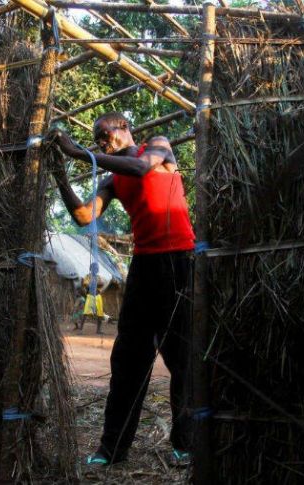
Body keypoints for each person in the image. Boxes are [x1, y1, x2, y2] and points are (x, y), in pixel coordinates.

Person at [48, 112, 195, 466]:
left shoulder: (158, 146)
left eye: (105, 134)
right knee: (128, 358)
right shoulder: (112, 180)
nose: (102, 141)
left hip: (178, 260)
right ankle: (112, 450)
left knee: (182, 357)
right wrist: (60, 176)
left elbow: (143, 168)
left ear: (125, 128)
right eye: (97, 139)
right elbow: (85, 217)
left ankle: (185, 444)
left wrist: (82, 154)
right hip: (144, 267)